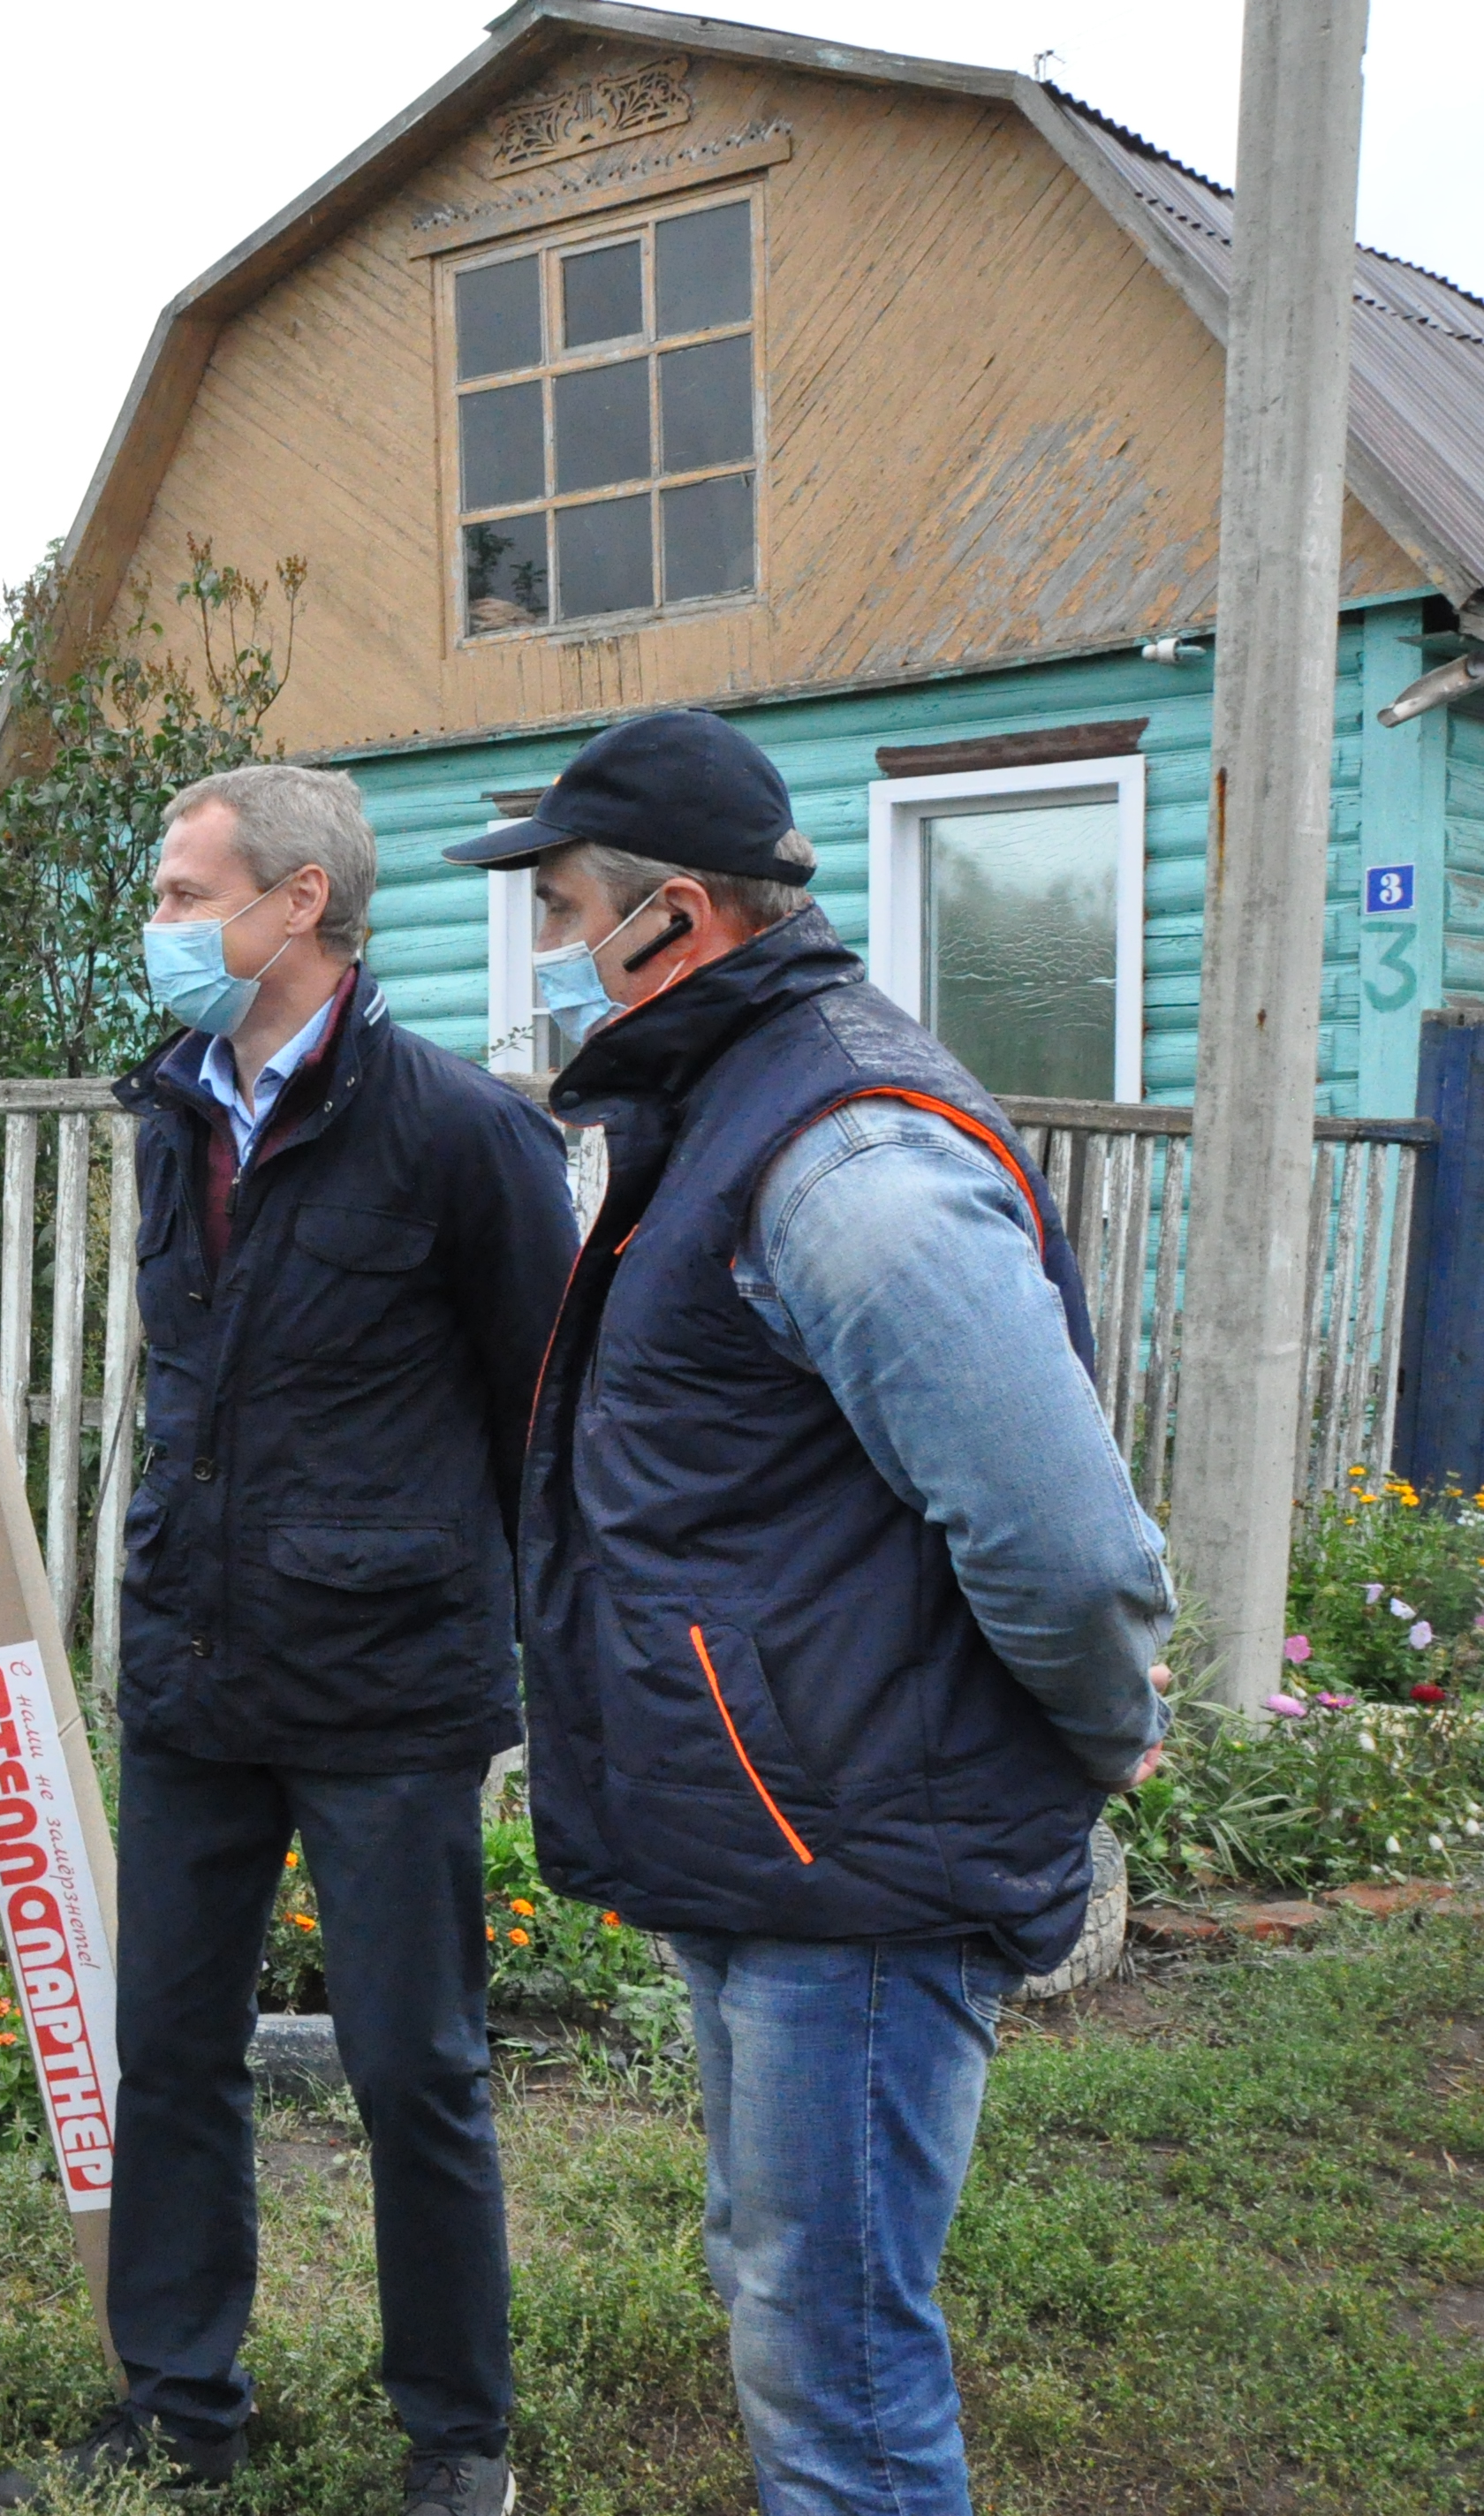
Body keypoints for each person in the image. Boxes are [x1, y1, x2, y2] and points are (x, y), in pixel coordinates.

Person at [447, 709, 1175, 2514]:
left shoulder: (843, 1155)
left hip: (858, 1842)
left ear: (664, 919)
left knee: (835, 2350)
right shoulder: (713, 1108)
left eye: (553, 909)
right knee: (784, 2280)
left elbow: (1059, 1536)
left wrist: (1096, 1732)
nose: (541, 953)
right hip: (785, 1823)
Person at [0, 766, 579, 2516]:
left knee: (416, 2065)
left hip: (387, 1676)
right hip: (192, 1657)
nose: (157, 923)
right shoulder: (173, 1106)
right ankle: (176, 2408)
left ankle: (455, 2435)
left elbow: (536, 1408)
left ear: (296, 900)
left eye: (181, 890)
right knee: (165, 2042)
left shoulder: (458, 1131)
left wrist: (516, 1638)